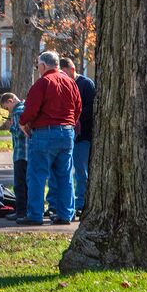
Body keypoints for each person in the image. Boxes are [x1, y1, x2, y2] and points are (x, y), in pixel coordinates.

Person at [18, 50, 82, 226]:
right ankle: (66, 214)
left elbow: (31, 108)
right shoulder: (71, 83)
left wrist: (23, 123)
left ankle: (35, 214)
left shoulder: (43, 83)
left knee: (37, 175)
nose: (38, 68)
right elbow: (78, 108)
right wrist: (70, 124)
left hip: (44, 132)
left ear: (44, 65)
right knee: (65, 176)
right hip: (67, 131)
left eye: (38, 65)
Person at [60, 57, 96, 218]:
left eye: (64, 73)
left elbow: (91, 107)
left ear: (71, 70)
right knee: (64, 171)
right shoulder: (62, 85)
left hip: (83, 135)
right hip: (67, 134)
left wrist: (76, 118)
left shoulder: (86, 84)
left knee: (81, 171)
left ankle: (81, 202)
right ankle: (66, 203)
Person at [0, 92, 28, 221]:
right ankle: (28, 209)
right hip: (29, 153)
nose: (7, 111)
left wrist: (11, 127)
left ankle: (21, 211)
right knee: (28, 183)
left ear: (10, 101)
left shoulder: (17, 112)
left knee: (19, 184)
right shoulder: (25, 107)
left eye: (6, 107)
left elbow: (20, 133)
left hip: (21, 152)